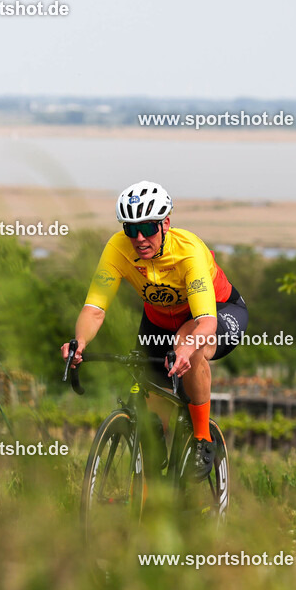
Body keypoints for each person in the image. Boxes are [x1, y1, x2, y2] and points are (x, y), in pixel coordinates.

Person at [62, 181, 248, 479]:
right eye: (130, 229)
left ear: (165, 224)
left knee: (190, 345)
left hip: (218, 311)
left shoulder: (188, 252)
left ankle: (202, 438)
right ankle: (153, 494)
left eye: (148, 228)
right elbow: (95, 308)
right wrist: (80, 342)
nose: (138, 238)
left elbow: (206, 322)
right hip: (159, 322)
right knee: (151, 411)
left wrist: (185, 350)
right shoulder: (117, 249)